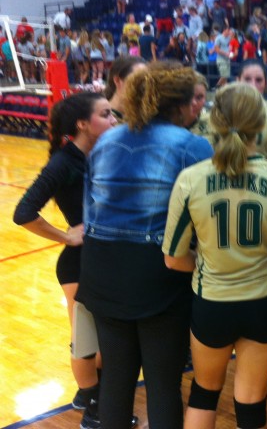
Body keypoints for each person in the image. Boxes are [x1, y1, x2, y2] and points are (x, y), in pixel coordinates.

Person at [76, 63, 214, 429]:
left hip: (100, 266)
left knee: (116, 379)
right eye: (193, 102)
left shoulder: (106, 140)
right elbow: (205, 214)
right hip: (157, 271)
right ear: (180, 105)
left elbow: (91, 209)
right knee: (163, 383)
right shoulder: (192, 145)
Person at [162, 82, 267, 429]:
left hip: (212, 304)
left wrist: (210, 265)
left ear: (213, 121)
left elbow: (173, 259)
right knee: (252, 401)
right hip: (265, 303)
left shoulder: (190, 179)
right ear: (262, 123)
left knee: (204, 393)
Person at [13, 93, 117, 429]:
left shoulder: (96, 155)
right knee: (87, 343)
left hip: (100, 261)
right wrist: (65, 235)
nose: (114, 120)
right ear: (83, 124)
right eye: (106, 114)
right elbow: (24, 213)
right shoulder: (63, 163)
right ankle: (94, 411)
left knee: (102, 340)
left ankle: (89, 397)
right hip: (77, 266)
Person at [237, 59, 267, 159]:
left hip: (265, 171)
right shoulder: (223, 111)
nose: (253, 85)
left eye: (259, 80)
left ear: (266, 83)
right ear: (238, 81)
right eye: (247, 79)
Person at [104, 56, 146, 123]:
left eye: (147, 80)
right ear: (117, 81)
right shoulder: (103, 119)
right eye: (139, 80)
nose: (145, 85)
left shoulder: (145, 115)